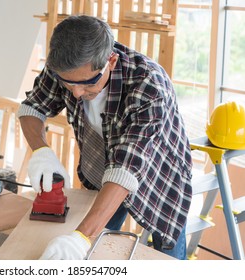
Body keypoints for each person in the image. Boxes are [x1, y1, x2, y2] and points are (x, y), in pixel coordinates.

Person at [17, 15, 193, 260]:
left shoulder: (149, 85)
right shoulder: (66, 68)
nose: (77, 94)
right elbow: (32, 108)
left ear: (110, 61)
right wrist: (41, 151)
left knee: (166, 257)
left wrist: (79, 237)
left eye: (87, 84)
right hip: (103, 171)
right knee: (97, 246)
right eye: (69, 85)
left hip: (158, 176)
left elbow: (124, 171)